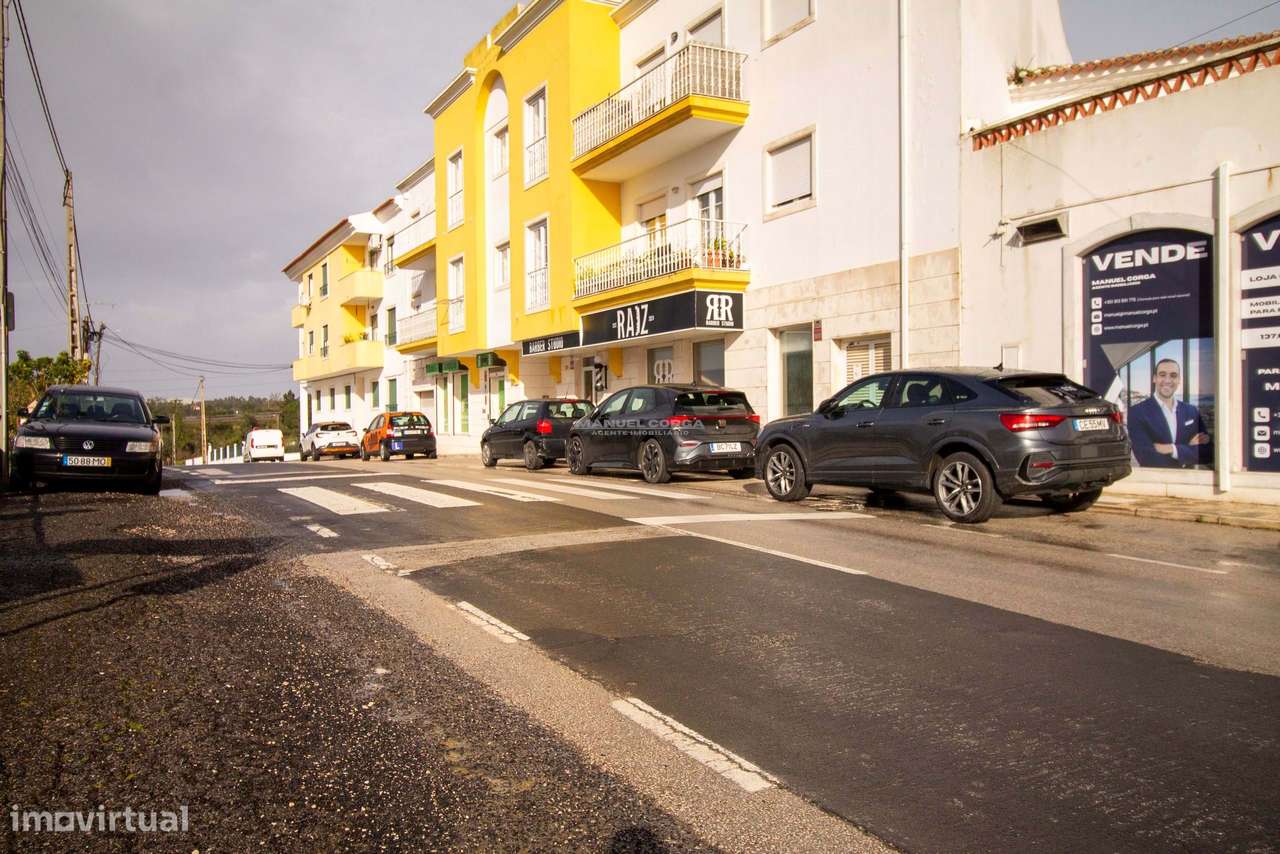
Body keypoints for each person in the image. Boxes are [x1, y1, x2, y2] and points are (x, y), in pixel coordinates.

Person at [1126, 358, 1212, 468]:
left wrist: (1172, 449)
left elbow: (1208, 453)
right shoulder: (1137, 412)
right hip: (1157, 481)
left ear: (1179, 380)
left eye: (1173, 375)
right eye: (1162, 375)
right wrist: (1188, 448)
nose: (1167, 380)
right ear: (1154, 378)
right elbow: (1146, 458)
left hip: (1188, 480)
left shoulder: (1191, 411)